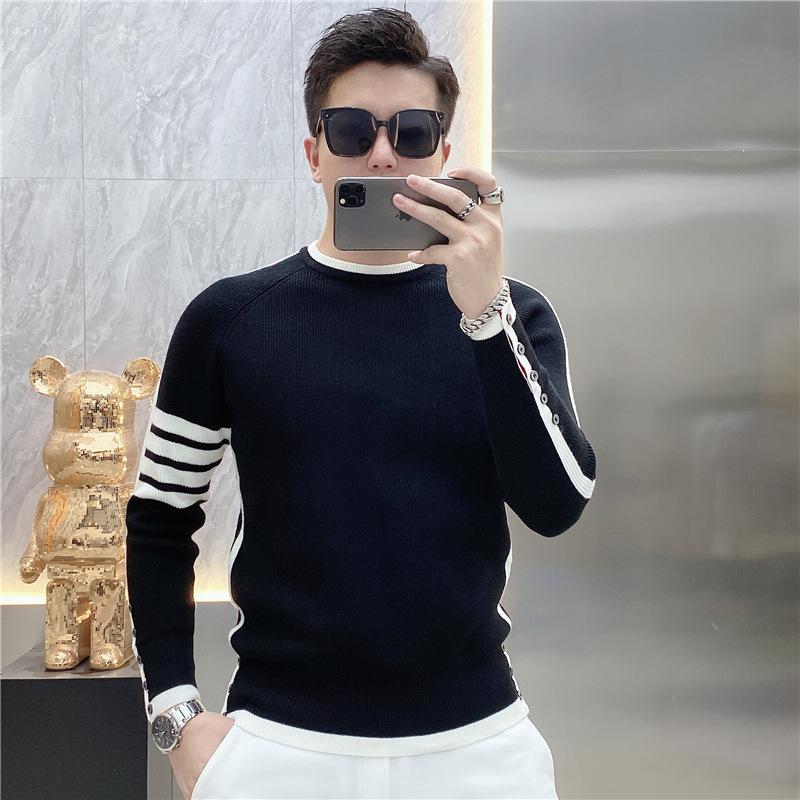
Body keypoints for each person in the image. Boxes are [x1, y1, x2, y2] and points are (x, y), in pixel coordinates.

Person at [125, 7, 597, 799]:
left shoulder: (513, 314)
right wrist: (176, 716)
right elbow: (160, 519)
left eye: (411, 132)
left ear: (442, 153)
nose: (382, 153)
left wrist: (486, 316)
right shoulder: (229, 319)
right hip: (278, 746)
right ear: (315, 154)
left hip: (478, 748)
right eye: (352, 130)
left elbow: (558, 504)